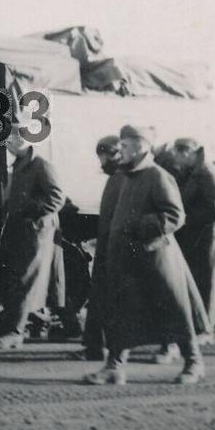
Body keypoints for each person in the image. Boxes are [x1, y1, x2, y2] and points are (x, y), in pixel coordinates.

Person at [83, 125, 209, 386]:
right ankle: (114, 367)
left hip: (156, 261)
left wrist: (140, 226)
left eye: (126, 146)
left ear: (141, 146)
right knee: (124, 313)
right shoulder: (128, 176)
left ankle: (194, 362)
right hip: (129, 262)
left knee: (175, 312)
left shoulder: (157, 175)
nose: (122, 151)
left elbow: (175, 215)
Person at [0, 120, 66, 349]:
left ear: (19, 140)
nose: (6, 145)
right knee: (33, 280)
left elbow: (56, 197)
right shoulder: (23, 165)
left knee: (25, 279)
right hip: (24, 230)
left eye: (8, 141)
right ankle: (70, 325)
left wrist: (29, 211)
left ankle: (15, 333)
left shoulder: (40, 165)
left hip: (36, 231)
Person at [172, 137, 215, 336]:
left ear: (187, 153)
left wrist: (186, 218)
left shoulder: (208, 173)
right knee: (204, 279)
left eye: (178, 155)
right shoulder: (194, 172)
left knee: (209, 280)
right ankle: (206, 323)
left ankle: (207, 326)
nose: (176, 160)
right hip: (199, 235)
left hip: (209, 237)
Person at [79, 135, 121, 361]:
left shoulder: (121, 178)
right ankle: (95, 347)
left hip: (115, 249)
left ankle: (102, 348)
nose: (101, 164)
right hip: (107, 248)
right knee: (100, 298)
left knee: (106, 299)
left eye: (103, 158)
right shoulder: (116, 178)